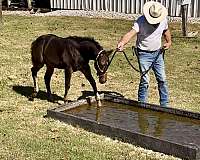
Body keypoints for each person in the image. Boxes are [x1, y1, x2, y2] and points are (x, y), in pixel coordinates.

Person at [117, 1, 172, 107]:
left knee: (162, 79)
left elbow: (166, 31)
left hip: (158, 53)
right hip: (143, 54)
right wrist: (122, 43)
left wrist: (169, 42)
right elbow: (130, 34)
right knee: (145, 80)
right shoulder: (140, 21)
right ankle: (142, 105)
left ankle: (165, 105)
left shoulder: (163, 20)